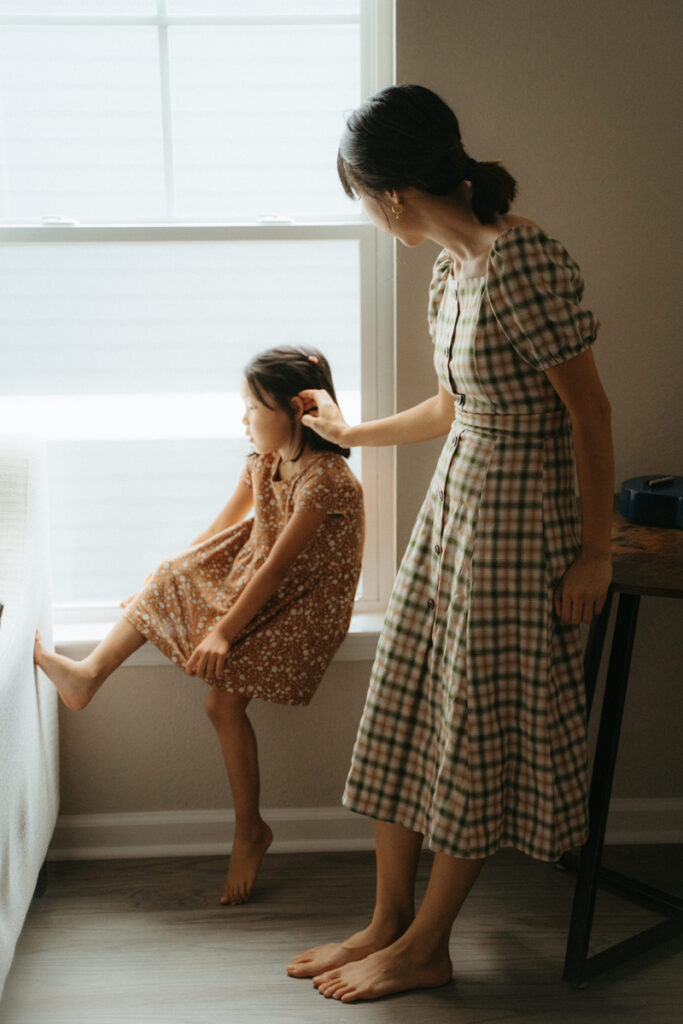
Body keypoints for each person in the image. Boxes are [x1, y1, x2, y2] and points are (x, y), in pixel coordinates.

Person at [286, 84, 613, 1002]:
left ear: (388, 192)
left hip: (517, 518)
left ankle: (428, 943)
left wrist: (594, 552)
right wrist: (350, 435)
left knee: (470, 727)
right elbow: (451, 407)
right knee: (406, 708)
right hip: (457, 507)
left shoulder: (524, 262)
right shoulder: (445, 267)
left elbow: (588, 412)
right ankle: (389, 920)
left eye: (356, 196)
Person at [34, 345, 364, 906]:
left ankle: (250, 829)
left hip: (305, 603)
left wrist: (222, 632)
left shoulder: (326, 480)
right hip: (260, 575)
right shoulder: (263, 462)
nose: (242, 420)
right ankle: (87, 676)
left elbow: (278, 570)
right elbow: (219, 531)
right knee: (168, 571)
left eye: (251, 407)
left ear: (297, 409)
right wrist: (162, 585)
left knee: (220, 703)